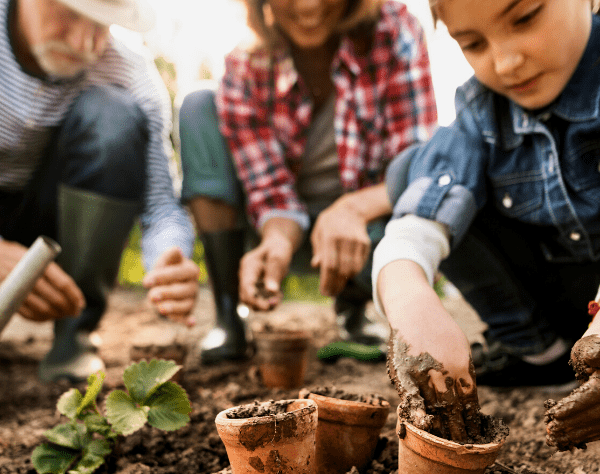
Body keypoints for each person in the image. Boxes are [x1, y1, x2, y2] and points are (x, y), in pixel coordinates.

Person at [374, 0, 600, 441]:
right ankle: (537, 352)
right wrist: (411, 301)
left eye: (526, 18)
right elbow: (416, 223)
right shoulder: (482, 110)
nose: (506, 62)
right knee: (411, 170)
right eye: (473, 43)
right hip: (556, 298)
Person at [178, 0, 437, 364]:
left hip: (369, 229)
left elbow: (415, 166)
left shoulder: (394, 29)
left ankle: (355, 307)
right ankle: (228, 311)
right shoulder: (245, 64)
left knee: (423, 210)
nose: (309, 4)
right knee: (198, 105)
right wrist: (278, 239)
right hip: (284, 230)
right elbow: (269, 190)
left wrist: (352, 210)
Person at [0, 0, 199, 382]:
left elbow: (161, 207)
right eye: (70, 12)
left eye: (102, 24)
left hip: (52, 219)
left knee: (114, 116)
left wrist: (168, 258)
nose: (83, 42)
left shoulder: (128, 71)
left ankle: (74, 337)